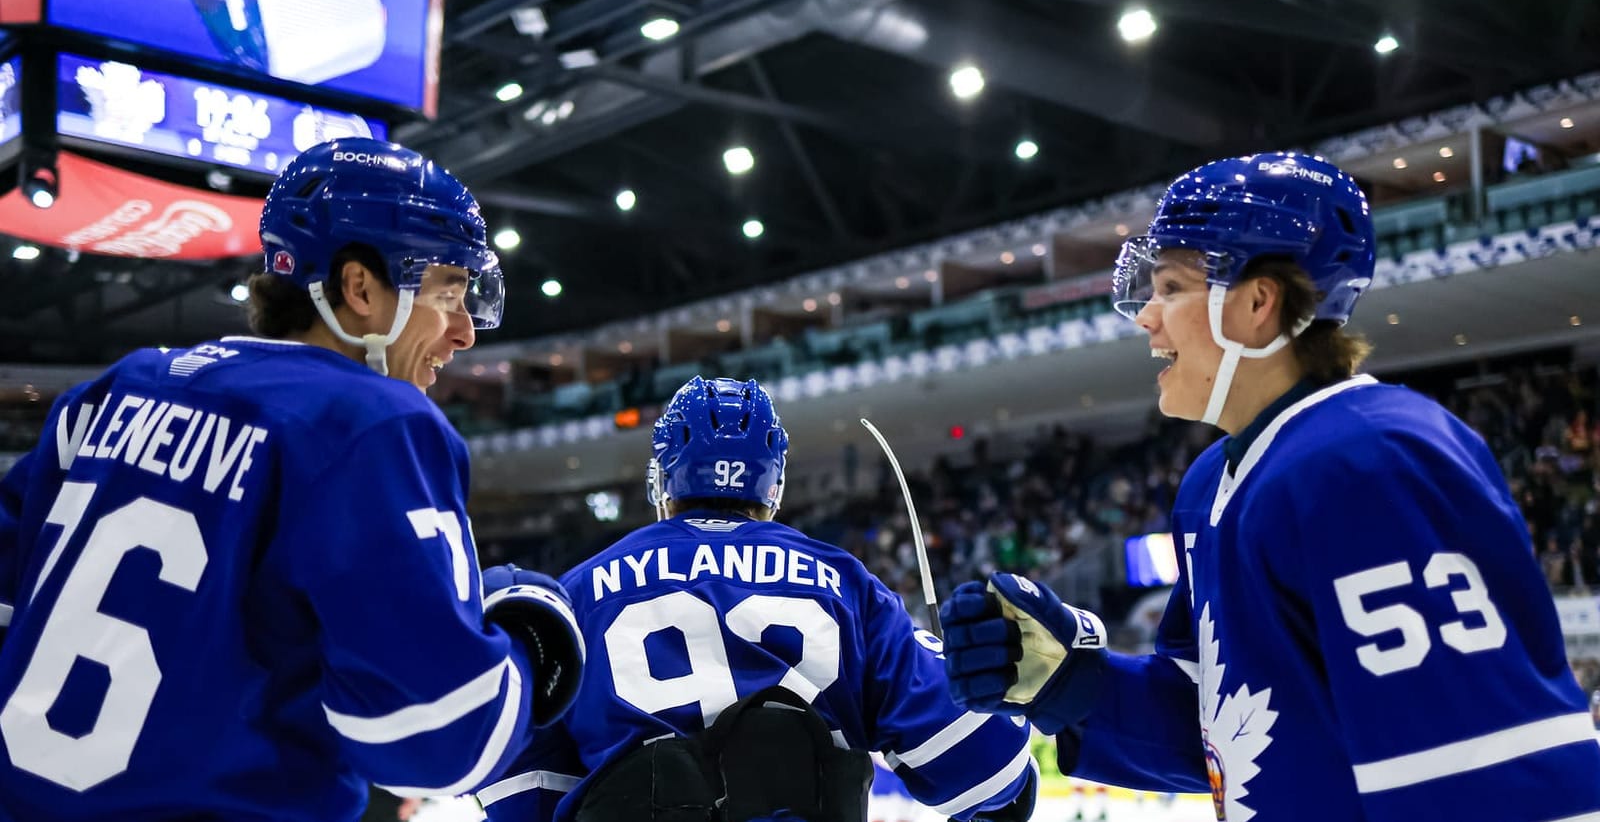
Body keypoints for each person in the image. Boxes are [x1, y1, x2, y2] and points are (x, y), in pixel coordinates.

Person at [939, 151, 1600, 820]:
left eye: (1170, 288)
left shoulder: (1368, 462)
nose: (1146, 316)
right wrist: (1074, 683)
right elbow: (1233, 725)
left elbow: (1483, 771)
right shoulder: (1212, 483)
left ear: (1258, 302)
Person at [0, 138, 583, 821]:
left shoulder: (117, 388)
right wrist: (524, 623)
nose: (463, 333)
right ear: (360, 287)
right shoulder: (372, 421)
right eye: (448, 294)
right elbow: (437, 741)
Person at [475, 376, 1037, 822]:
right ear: (774, 484)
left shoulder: (580, 590)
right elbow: (986, 773)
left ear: (663, 479)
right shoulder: (845, 582)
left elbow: (525, 791)